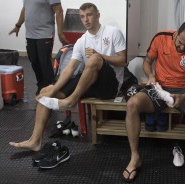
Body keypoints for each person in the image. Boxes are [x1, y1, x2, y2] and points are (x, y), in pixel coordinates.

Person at [9, 3, 126, 151]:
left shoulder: (113, 32)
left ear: (98, 15)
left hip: (111, 86)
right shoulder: (81, 41)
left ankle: (71, 101)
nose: (86, 20)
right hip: (90, 81)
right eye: (82, 17)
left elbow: (124, 60)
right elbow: (70, 69)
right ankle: (35, 140)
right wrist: (54, 89)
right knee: (45, 92)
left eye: (89, 15)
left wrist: (100, 55)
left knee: (95, 59)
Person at [122, 22, 185, 184]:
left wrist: (183, 97)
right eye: (180, 43)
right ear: (176, 34)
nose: (182, 48)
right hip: (159, 88)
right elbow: (146, 62)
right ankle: (135, 157)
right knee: (132, 104)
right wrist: (151, 76)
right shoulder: (161, 37)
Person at [9, 0, 68, 95]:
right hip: (30, 34)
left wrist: (60, 33)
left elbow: (59, 11)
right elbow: (25, 8)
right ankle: (41, 85)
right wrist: (18, 25)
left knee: (44, 62)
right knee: (34, 61)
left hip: (45, 33)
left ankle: (51, 88)